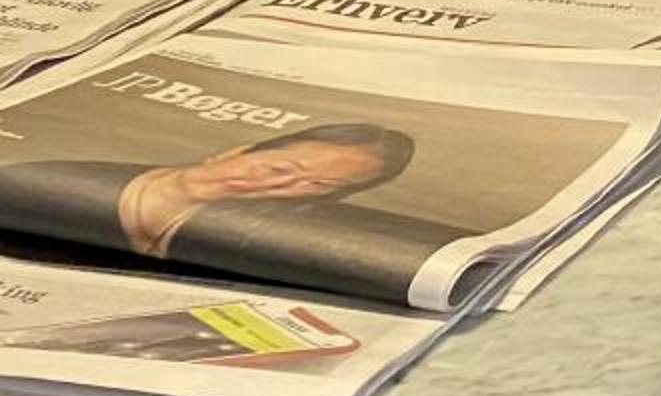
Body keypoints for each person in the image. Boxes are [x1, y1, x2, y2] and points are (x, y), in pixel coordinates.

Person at [0, 121, 415, 262]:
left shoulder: (246, 248)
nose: (276, 185)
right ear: (236, 151)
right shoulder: (34, 183)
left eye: (316, 186)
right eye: (279, 168)